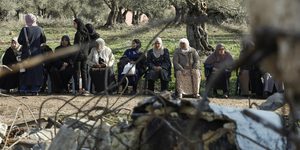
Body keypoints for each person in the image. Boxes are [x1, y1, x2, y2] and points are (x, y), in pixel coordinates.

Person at [18, 14, 46, 96]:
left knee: (25, 71)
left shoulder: (24, 29)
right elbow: (43, 39)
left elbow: (19, 41)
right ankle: (35, 89)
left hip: (26, 54)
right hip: (37, 53)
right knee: (36, 72)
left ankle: (24, 89)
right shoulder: (39, 29)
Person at [72, 18, 90, 95]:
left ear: (78, 24)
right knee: (84, 72)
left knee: (77, 72)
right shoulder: (86, 32)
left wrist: (74, 58)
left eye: (74, 24)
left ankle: (77, 89)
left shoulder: (78, 34)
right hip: (85, 55)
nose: (73, 25)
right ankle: (85, 89)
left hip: (78, 55)